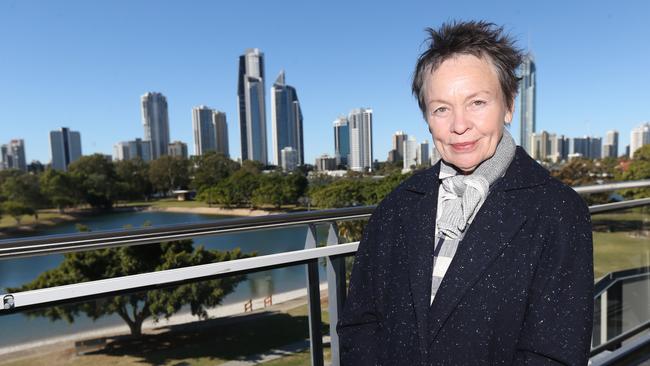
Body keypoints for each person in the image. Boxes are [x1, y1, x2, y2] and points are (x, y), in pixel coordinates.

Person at [337, 21, 593, 365]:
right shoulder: (397, 206)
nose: (459, 125)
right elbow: (360, 324)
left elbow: (554, 353)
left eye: (476, 102)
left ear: (508, 105)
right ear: (427, 117)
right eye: (441, 108)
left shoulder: (559, 212)